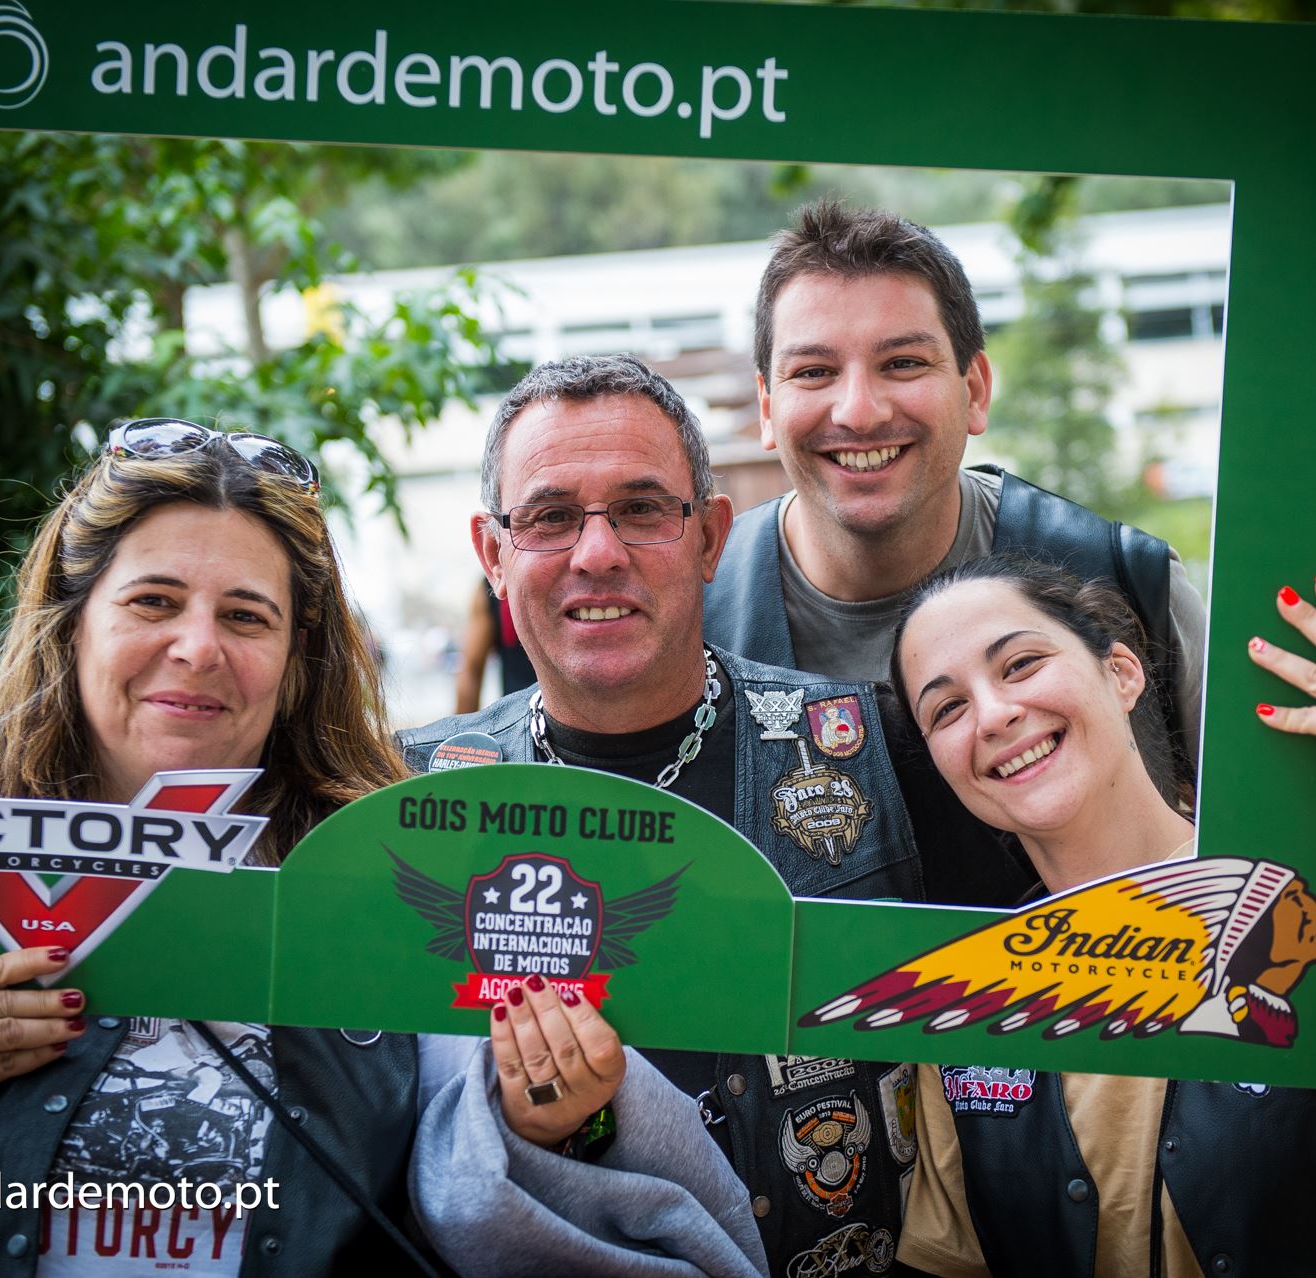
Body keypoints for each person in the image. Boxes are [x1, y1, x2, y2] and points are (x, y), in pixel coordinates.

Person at [0, 421, 430, 1276]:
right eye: (153, 602)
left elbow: (476, 1209)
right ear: (72, 626)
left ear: (295, 666)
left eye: (246, 616)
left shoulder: (384, 893)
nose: (198, 647)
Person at [400, 354, 1009, 1275]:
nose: (597, 554)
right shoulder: (416, 796)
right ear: (493, 555)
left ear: (710, 537)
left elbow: (1020, 1018)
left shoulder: (874, 743)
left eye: (642, 509)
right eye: (550, 517)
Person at [872, 555, 1316, 1277]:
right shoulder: (956, 986)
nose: (993, 715)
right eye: (947, 709)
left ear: (1122, 673)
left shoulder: (1311, 897)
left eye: (1021, 664)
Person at [705, 199, 1207, 770]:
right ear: (767, 408)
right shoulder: (691, 611)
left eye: (903, 363)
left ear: (975, 390)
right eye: (814, 372)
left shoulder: (1133, 583)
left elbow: (1250, 807)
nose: (859, 412)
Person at [454, 575, 537, 713]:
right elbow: (472, 670)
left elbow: (471, 670)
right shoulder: (492, 585)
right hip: (516, 714)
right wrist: (463, 726)